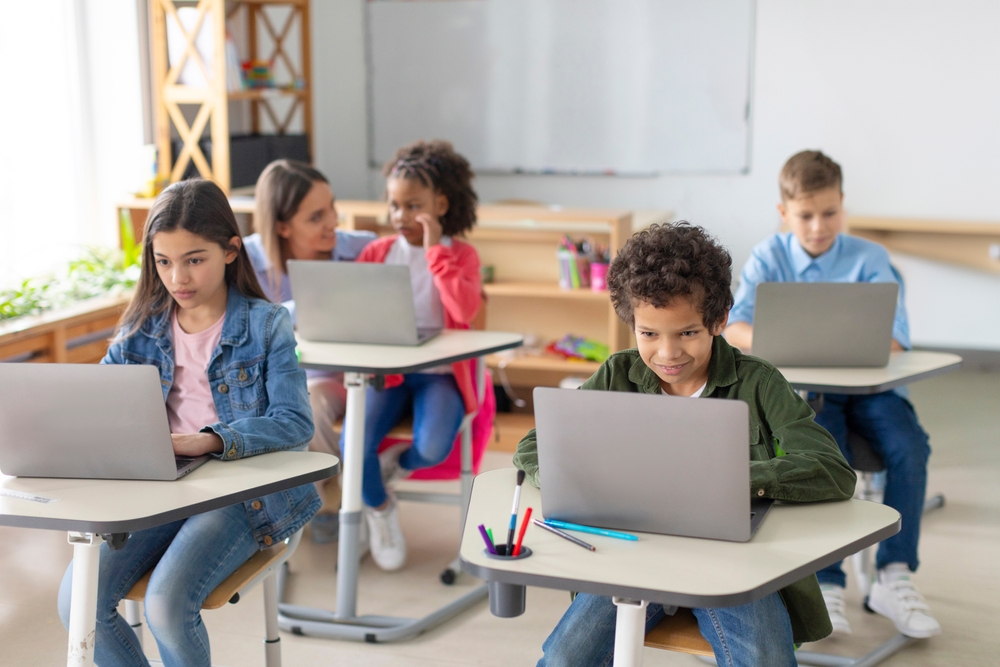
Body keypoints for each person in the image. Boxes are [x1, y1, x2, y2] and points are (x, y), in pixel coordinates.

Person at [514, 222, 856, 667]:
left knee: (766, 659)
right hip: (633, 556)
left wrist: (731, 481)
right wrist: (582, 482)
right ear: (632, 324)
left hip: (734, 563)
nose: (667, 353)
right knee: (564, 658)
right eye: (649, 334)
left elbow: (831, 469)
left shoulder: (759, 381)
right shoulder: (618, 374)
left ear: (718, 320)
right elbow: (534, 446)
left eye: (687, 333)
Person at [57, 179, 319, 666]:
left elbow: (294, 422)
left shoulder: (267, 324)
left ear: (230, 251)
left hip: (241, 493)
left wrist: (208, 441)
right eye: (164, 261)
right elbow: (92, 406)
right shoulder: (141, 328)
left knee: (166, 604)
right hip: (160, 488)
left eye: (194, 259)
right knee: (78, 603)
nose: (178, 277)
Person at [724, 150, 940, 638]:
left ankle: (894, 575)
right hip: (808, 394)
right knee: (827, 456)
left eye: (829, 212)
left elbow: (898, 339)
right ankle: (828, 579)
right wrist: (788, 340)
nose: (818, 225)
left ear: (842, 205)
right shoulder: (768, 256)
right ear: (784, 214)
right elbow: (735, 327)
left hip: (870, 389)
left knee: (910, 446)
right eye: (805, 215)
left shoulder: (869, 258)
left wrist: (828, 341)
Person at [349, 139, 486, 571]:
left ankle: (399, 464)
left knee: (431, 446)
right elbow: (358, 309)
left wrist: (434, 254)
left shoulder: (461, 254)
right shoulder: (377, 253)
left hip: (439, 373)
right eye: (394, 206)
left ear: (441, 204)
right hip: (387, 373)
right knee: (353, 445)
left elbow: (464, 309)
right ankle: (381, 510)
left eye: (413, 206)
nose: (400, 216)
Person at [244, 159, 376, 544]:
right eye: (316, 216)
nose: (333, 221)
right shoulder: (248, 262)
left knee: (316, 406)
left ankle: (347, 496)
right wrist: (306, 308)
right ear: (283, 226)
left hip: (351, 375)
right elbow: (248, 323)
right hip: (290, 381)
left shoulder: (361, 249)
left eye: (332, 207)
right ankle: (329, 500)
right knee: (295, 406)